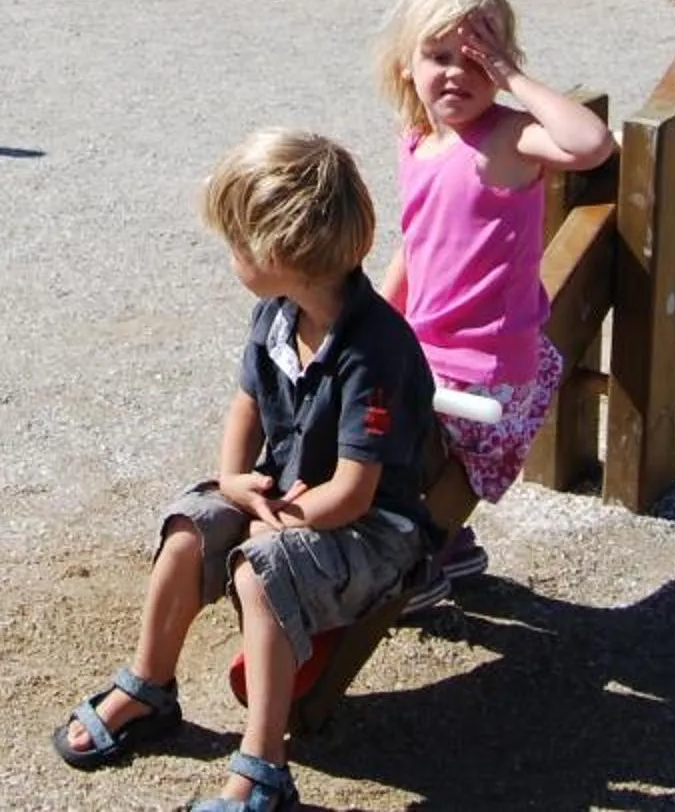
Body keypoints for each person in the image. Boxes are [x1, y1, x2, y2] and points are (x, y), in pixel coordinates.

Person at [52, 129, 437, 812]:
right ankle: (148, 687)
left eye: (237, 242)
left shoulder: (372, 351)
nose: (229, 254)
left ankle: (263, 765)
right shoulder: (277, 315)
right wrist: (231, 483)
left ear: (282, 255)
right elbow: (246, 406)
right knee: (190, 527)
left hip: (374, 532)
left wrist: (274, 526)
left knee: (263, 570)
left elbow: (353, 492)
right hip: (283, 500)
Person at [373, 0, 618, 608]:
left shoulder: (510, 138)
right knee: (358, 411)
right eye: (439, 56)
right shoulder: (418, 139)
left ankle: (425, 555)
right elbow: (416, 245)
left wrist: (513, 77)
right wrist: (371, 321)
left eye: (477, 58)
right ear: (407, 66)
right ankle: (447, 543)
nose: (458, 73)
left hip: (487, 370)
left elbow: (591, 144)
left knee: (385, 438)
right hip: (431, 350)